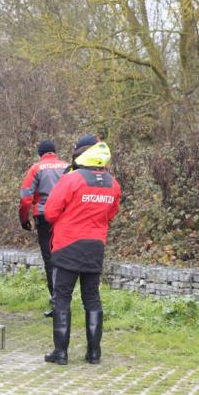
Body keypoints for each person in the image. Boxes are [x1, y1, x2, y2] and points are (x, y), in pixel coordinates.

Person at [44, 141, 121, 365]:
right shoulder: (113, 184)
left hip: (67, 245)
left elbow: (50, 212)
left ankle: (61, 353)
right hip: (95, 245)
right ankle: (94, 353)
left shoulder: (71, 179)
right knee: (92, 299)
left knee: (62, 299)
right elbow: (111, 214)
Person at [19, 140, 69, 317]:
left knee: (50, 260)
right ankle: (64, 299)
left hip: (44, 216)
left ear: (40, 154)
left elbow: (26, 196)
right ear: (54, 152)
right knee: (64, 257)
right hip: (65, 217)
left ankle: (56, 302)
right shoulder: (67, 166)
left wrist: (23, 219)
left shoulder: (36, 168)